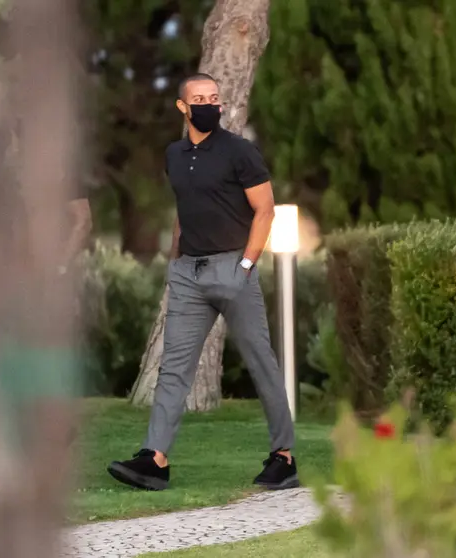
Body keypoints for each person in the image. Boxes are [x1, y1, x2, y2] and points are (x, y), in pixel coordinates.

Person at [107, 73, 298, 491]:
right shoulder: (174, 155)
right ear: (183, 107)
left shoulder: (240, 152)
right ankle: (155, 459)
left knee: (261, 364)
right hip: (189, 274)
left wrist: (246, 267)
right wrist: (175, 262)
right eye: (199, 99)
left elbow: (265, 211)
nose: (209, 104)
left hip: (234, 269)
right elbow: (184, 207)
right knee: (173, 369)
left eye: (214, 98)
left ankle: (284, 457)